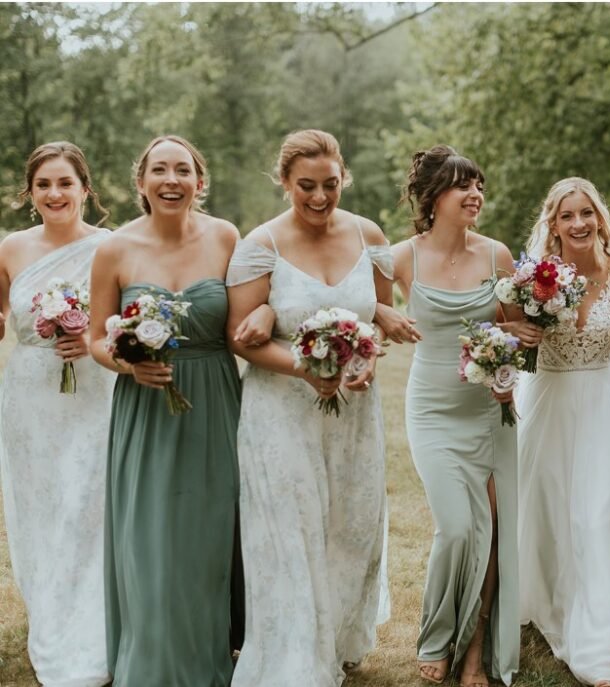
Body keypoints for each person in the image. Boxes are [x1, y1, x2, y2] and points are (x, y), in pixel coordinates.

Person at [225, 129, 390, 686]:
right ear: (284, 183)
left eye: (330, 185)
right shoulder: (260, 245)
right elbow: (240, 338)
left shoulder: (369, 236)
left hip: (356, 416)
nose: (319, 198)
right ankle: (294, 653)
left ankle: (337, 636)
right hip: (280, 413)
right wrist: (309, 369)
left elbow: (379, 320)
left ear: (343, 176)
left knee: (350, 525)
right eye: (306, 187)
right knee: (288, 530)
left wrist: (367, 361)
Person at [89, 135, 253, 686]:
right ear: (141, 183)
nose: (171, 180)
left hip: (215, 403)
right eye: (159, 170)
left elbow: (250, 313)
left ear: (199, 181)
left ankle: (219, 654)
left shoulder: (227, 237)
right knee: (151, 539)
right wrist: (128, 365)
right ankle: (152, 661)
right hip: (146, 408)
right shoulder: (114, 248)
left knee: (212, 538)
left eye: (183, 169)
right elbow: (94, 339)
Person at [392, 144, 541, 687]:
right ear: (433, 197)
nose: (476, 194)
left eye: (479, 184)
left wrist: (508, 353)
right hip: (432, 411)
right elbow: (361, 302)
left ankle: (475, 650)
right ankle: (435, 637)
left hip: (490, 410)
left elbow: (523, 337)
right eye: (463, 185)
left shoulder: (496, 255)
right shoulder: (401, 258)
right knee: (457, 529)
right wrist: (386, 311)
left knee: (495, 531)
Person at [516, 178, 610, 687]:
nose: (578, 224)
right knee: (550, 515)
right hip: (549, 406)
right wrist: (518, 332)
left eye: (586, 213)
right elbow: (508, 329)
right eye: (567, 216)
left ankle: (598, 650)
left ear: (600, 218)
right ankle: (552, 600)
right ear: (552, 224)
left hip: (599, 409)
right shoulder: (534, 276)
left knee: (597, 517)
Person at [0, 141, 112, 686]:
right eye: (44, 184)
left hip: (95, 392)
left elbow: (123, 321)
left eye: (65, 183)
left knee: (89, 506)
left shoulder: (113, 246)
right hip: (31, 399)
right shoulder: (10, 248)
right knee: (42, 510)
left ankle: (93, 632)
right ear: (31, 193)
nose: (55, 193)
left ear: (85, 189)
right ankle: (51, 617)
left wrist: (89, 335)